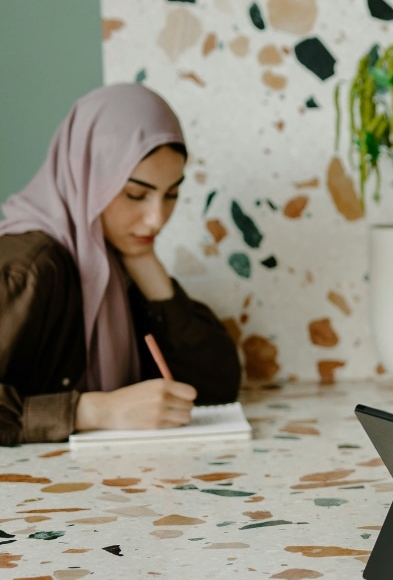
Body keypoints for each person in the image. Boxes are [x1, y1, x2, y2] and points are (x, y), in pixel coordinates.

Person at [0, 83, 241, 446]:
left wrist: (145, 262)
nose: (156, 219)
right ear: (85, 177)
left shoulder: (110, 259)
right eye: (136, 194)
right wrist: (93, 411)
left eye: (171, 194)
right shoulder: (30, 268)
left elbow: (217, 385)